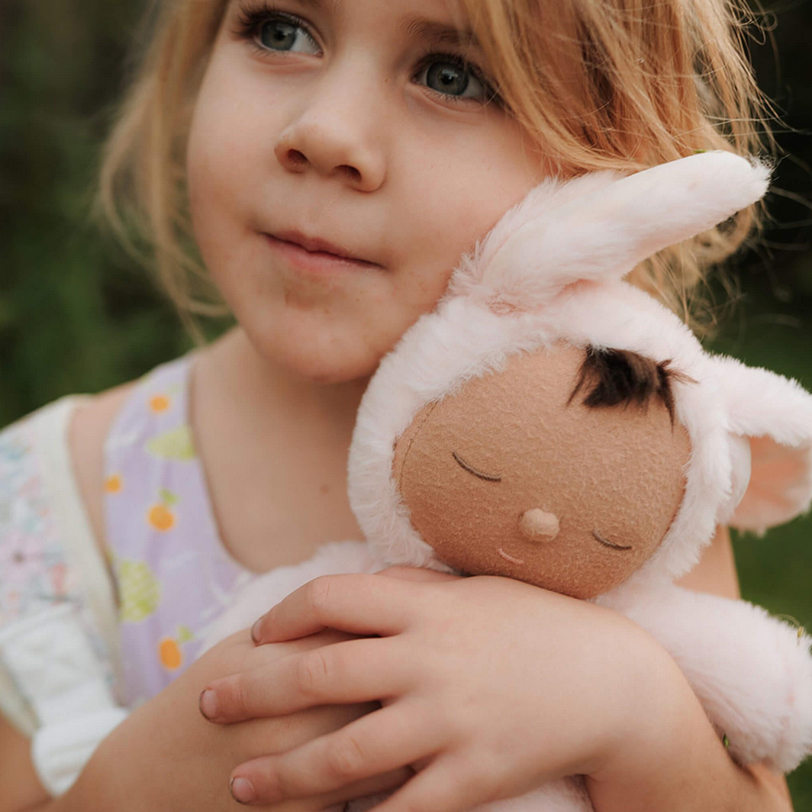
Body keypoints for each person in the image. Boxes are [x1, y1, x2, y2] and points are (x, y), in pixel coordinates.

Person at [0, 0, 798, 809]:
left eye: (453, 76)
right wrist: (137, 784)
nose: (325, 131)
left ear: (604, 164)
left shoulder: (628, 471)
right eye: (280, 31)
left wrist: (639, 714)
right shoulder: (53, 504)